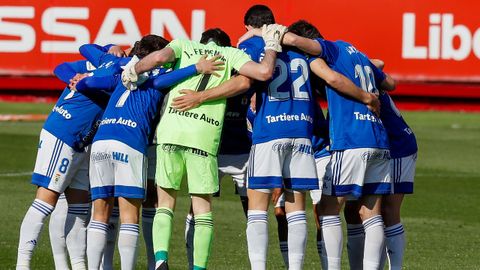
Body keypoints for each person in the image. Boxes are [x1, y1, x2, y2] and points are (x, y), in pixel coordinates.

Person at [121, 24, 286, 270]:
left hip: (171, 133)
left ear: (202, 40)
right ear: (224, 44)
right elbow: (263, 73)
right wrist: (272, 47)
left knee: (165, 203)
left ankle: (161, 260)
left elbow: (156, 58)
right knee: (203, 210)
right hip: (204, 136)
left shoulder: (183, 45)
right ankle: (198, 268)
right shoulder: (231, 54)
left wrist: (133, 69)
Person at [76, 37, 222, 270]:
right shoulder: (155, 78)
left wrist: (85, 76)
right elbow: (167, 79)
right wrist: (196, 67)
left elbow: (86, 72)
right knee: (129, 216)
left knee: (100, 213)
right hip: (129, 142)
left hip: (101, 142)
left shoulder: (118, 72)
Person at [277, 21, 396, 269]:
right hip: (378, 140)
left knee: (329, 210)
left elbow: (331, 77)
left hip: (350, 140)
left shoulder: (326, 51)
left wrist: (277, 34)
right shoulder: (355, 54)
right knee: (371, 215)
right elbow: (390, 82)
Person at [16, 43, 121, 270]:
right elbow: (62, 67)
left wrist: (85, 82)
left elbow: (86, 51)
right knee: (46, 200)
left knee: (80, 208)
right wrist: (78, 79)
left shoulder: (107, 64)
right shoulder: (113, 65)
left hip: (82, 142)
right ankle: (22, 265)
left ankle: (78, 266)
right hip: (64, 132)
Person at [343, 60, 417, 270]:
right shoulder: (360, 77)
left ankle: (396, 268)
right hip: (379, 145)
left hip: (398, 145)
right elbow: (379, 63)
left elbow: (379, 63)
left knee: (388, 210)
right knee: (358, 210)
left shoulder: (355, 85)